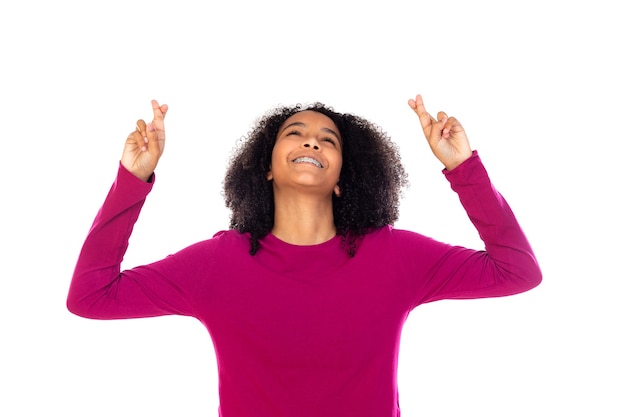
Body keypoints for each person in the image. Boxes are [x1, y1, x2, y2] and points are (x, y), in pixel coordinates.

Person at [67, 95, 542, 417]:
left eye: (328, 139)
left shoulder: (392, 255)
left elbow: (516, 270)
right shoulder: (219, 263)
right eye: (294, 133)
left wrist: (462, 167)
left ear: (341, 178)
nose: (311, 141)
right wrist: (132, 180)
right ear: (267, 168)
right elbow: (91, 295)